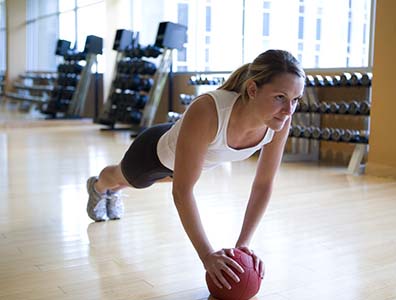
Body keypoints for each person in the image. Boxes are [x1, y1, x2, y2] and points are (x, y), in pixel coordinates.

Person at [86, 49, 305, 290]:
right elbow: (183, 192)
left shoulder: (280, 122)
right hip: (151, 156)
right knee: (123, 179)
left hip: (191, 161)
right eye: (280, 97)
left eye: (295, 99)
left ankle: (110, 188)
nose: (289, 110)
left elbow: (263, 185)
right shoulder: (209, 109)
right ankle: (98, 186)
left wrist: (243, 245)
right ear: (252, 90)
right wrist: (206, 255)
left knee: (156, 180)